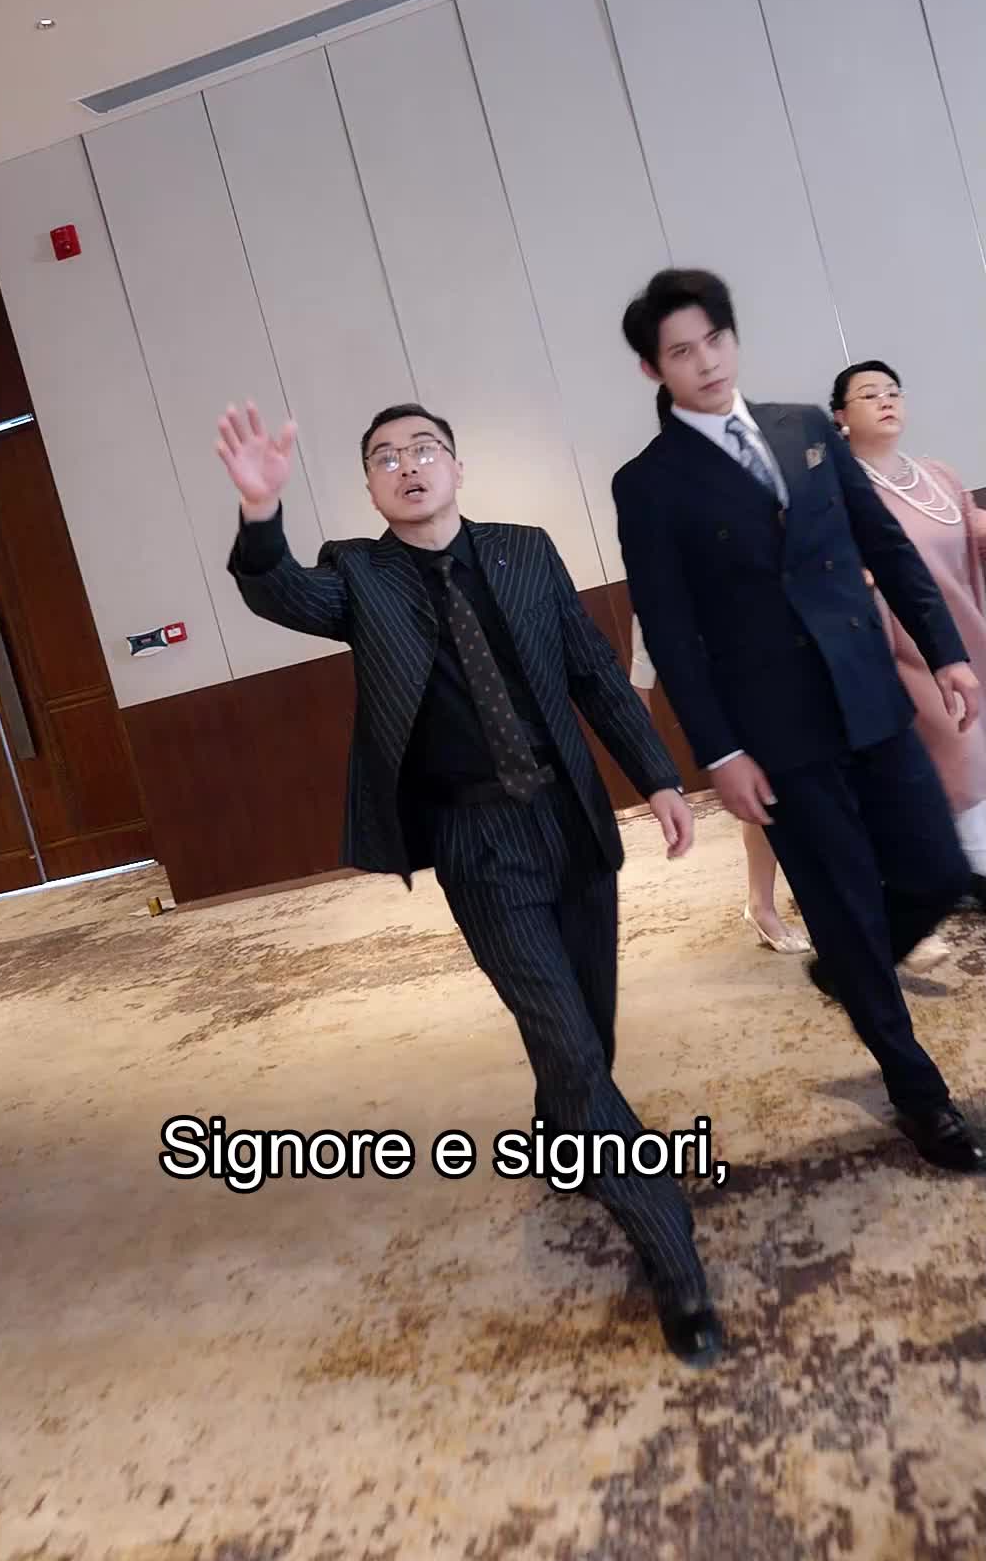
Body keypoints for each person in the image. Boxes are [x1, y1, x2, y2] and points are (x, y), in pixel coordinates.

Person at [217, 398, 722, 1365]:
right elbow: (278, 592)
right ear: (371, 488)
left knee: (589, 1027)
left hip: (569, 819)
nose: (408, 466)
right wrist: (258, 511)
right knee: (569, 1039)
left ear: (456, 467)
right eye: (385, 458)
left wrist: (658, 776)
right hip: (475, 839)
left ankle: (564, 1135)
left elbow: (593, 674)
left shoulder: (526, 550)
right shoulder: (356, 574)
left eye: (424, 450)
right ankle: (669, 1246)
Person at [612, 268, 985, 1175]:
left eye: (715, 340)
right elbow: (672, 632)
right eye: (681, 351)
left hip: (872, 697)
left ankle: (849, 968)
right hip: (776, 734)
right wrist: (721, 752)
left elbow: (884, 545)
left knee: (939, 871)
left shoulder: (806, 428)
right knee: (843, 903)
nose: (706, 362)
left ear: (734, 338)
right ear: (653, 369)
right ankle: (919, 1094)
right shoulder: (649, 484)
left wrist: (945, 652)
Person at [631, 385, 810, 956]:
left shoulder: (758, 473)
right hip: (729, 690)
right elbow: (650, 627)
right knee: (771, 801)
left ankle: (798, 900)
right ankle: (766, 904)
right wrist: (646, 737)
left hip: (794, 670)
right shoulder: (661, 499)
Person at [832, 359, 986, 909]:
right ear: (840, 416)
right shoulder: (842, 491)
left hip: (968, 631)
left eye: (893, 391)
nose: (886, 400)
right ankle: (963, 868)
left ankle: (957, 866)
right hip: (904, 649)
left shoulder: (936, 474)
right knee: (958, 749)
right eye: (870, 394)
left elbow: (969, 529)